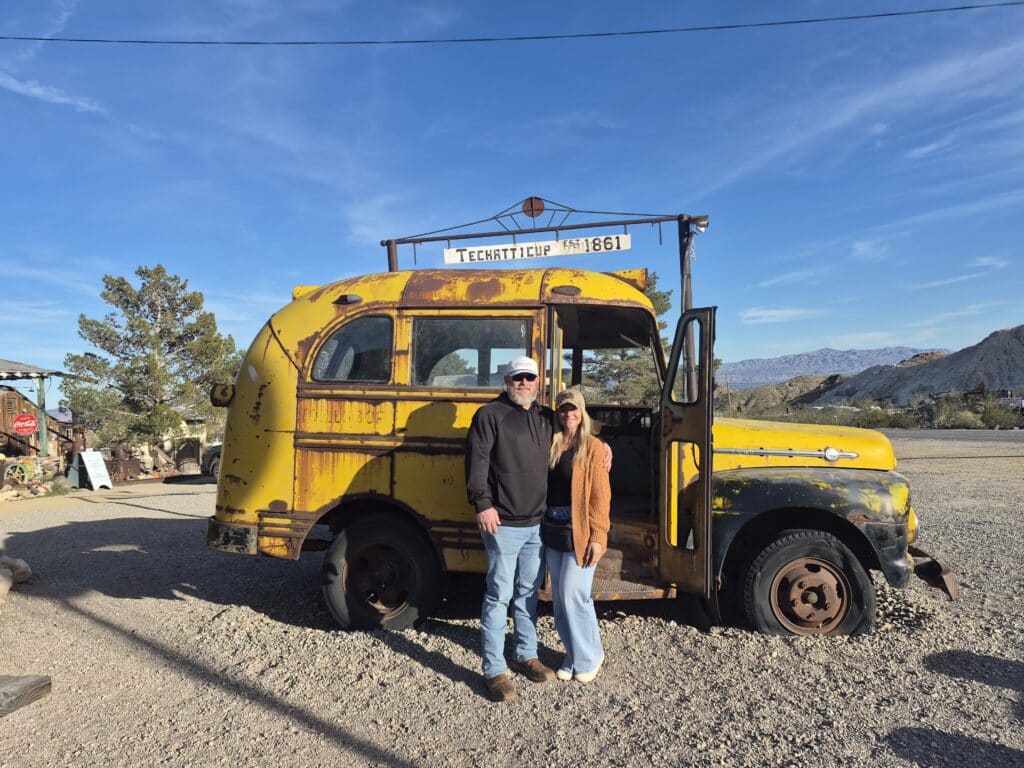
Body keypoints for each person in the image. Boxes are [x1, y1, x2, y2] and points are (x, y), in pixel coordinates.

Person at [466, 355, 557, 702]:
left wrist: (602, 446)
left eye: (529, 378)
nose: (524, 383)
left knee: (528, 593)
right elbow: (477, 461)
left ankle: (526, 655)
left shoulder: (545, 417)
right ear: (506, 381)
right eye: (517, 377)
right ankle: (494, 670)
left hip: (537, 523)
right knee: (498, 596)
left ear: (538, 382)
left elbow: (577, 435)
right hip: (502, 522)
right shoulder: (490, 415)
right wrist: (482, 503)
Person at [542, 388, 610, 684]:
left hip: (579, 528)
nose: (568, 414)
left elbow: (600, 497)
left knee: (574, 595)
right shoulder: (552, 444)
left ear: (582, 413)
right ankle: (572, 653)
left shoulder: (593, 447)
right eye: (562, 409)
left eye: (573, 409)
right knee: (560, 599)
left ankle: (590, 656)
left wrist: (598, 535)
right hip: (552, 527)